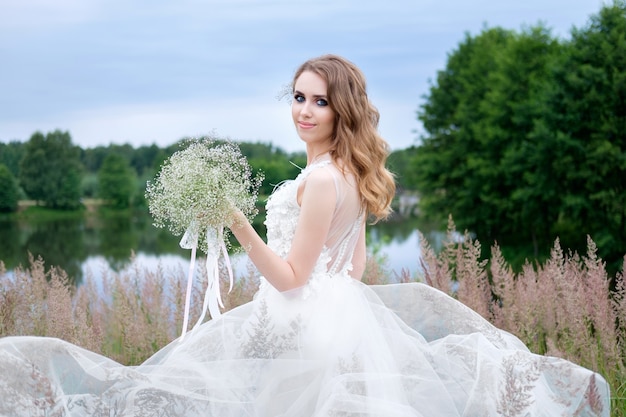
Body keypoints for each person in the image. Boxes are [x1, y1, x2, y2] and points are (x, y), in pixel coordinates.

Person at [0, 54, 610, 416]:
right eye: (298, 98)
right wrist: (327, 310)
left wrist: (234, 218)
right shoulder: (353, 175)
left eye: (319, 102)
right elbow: (350, 269)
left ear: (341, 110)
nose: (304, 111)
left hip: (301, 323)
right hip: (333, 318)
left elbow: (292, 277)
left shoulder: (321, 181)